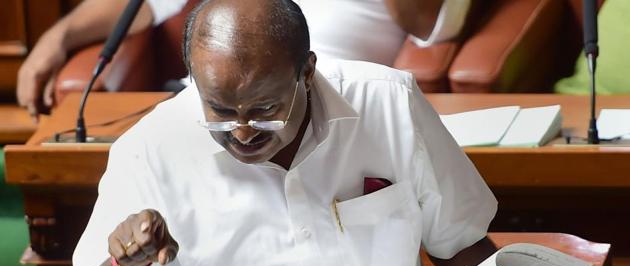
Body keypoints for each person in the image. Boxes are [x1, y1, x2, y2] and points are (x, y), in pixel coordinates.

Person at [65, 0, 499, 266]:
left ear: (307, 73)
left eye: (265, 109)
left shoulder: (389, 106)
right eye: (219, 109)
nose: (242, 130)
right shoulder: (149, 151)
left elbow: (465, 250)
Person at [16, 0, 471, 118]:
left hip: (322, 102)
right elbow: (146, 7)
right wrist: (58, 37)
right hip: (209, 103)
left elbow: (432, 24)